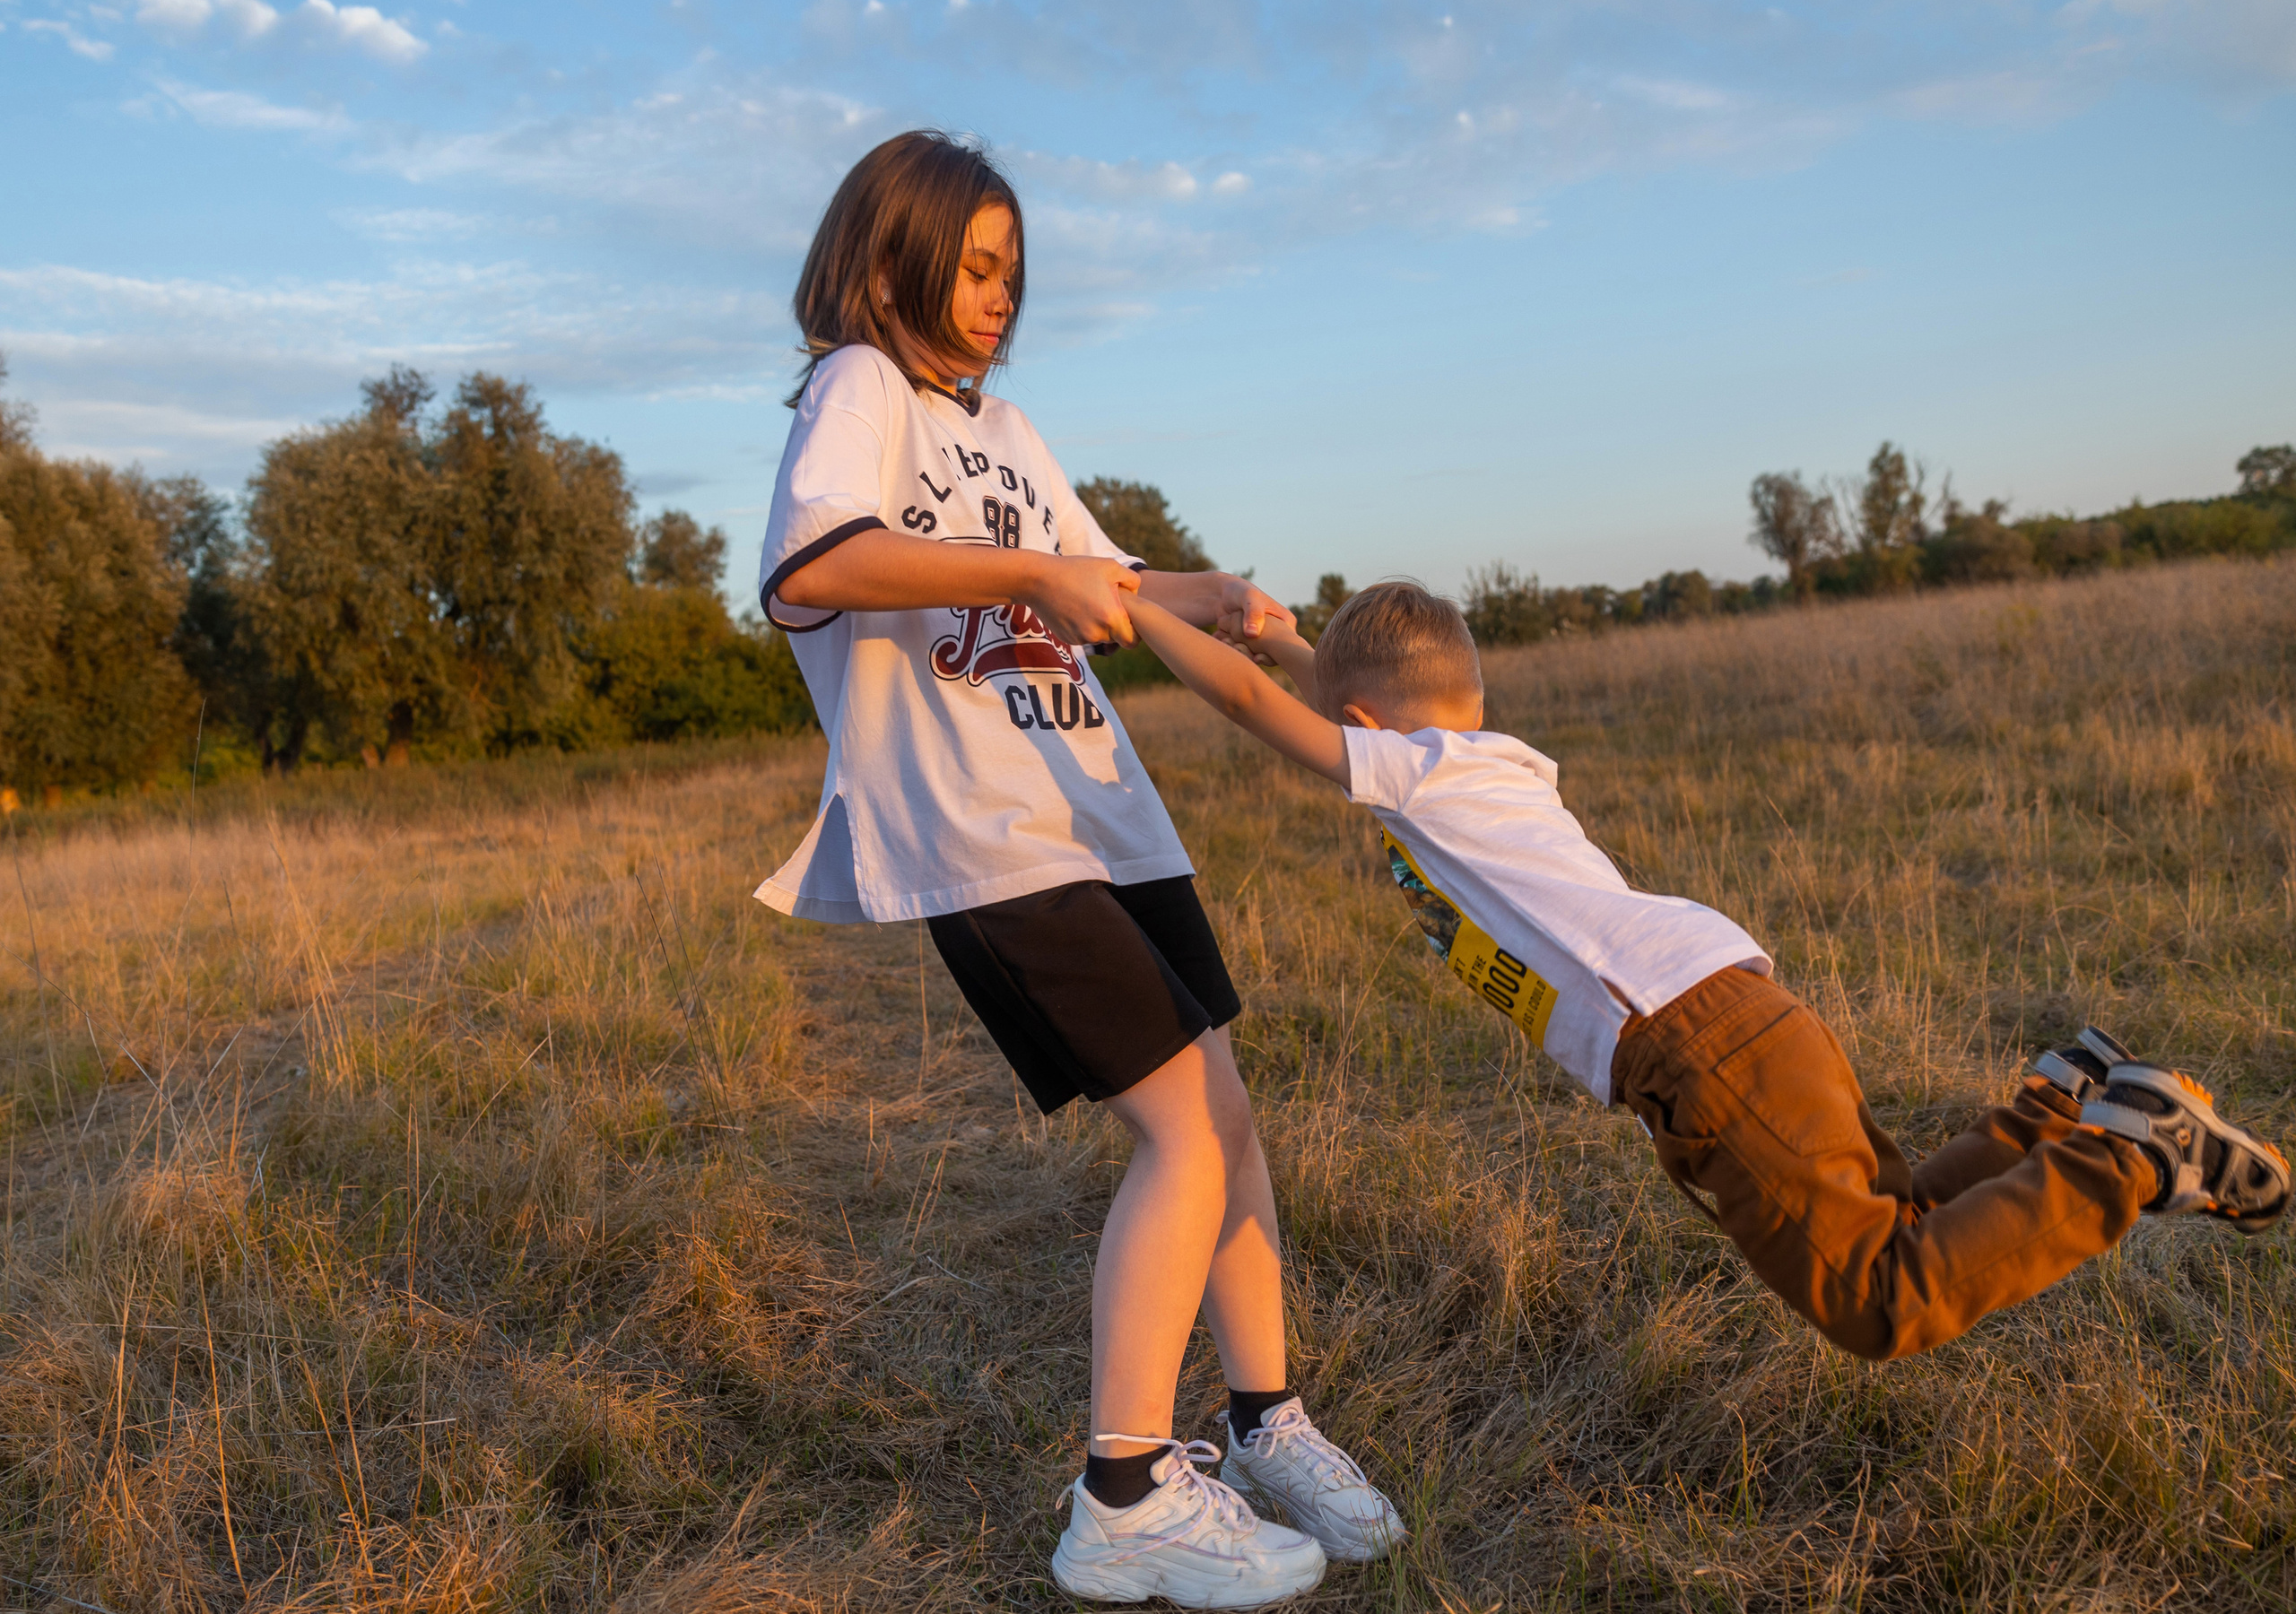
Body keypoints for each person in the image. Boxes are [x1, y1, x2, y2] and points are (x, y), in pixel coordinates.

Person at [752, 131, 1402, 1608]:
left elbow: (1102, 580)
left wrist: (1214, 597)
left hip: (1106, 818)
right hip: (986, 832)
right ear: (888, 255)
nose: (999, 297)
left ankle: (1265, 1428)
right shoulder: (861, 389)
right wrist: (1029, 575)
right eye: (975, 267)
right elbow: (809, 569)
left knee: (1227, 1125)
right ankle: (1123, 1496)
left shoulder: (1009, 430)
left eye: (1013, 273)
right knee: (1179, 1134)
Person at [1124, 580, 2290, 1362]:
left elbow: (1250, 703)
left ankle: (2131, 1155)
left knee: (1878, 1301)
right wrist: (1280, 635)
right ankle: (2056, 1108)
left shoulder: (1413, 771)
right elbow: (1324, 684)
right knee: (1899, 1216)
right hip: (1731, 1004)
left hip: (1691, 1039)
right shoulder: (1478, 756)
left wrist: (1125, 607)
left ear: (1371, 721)